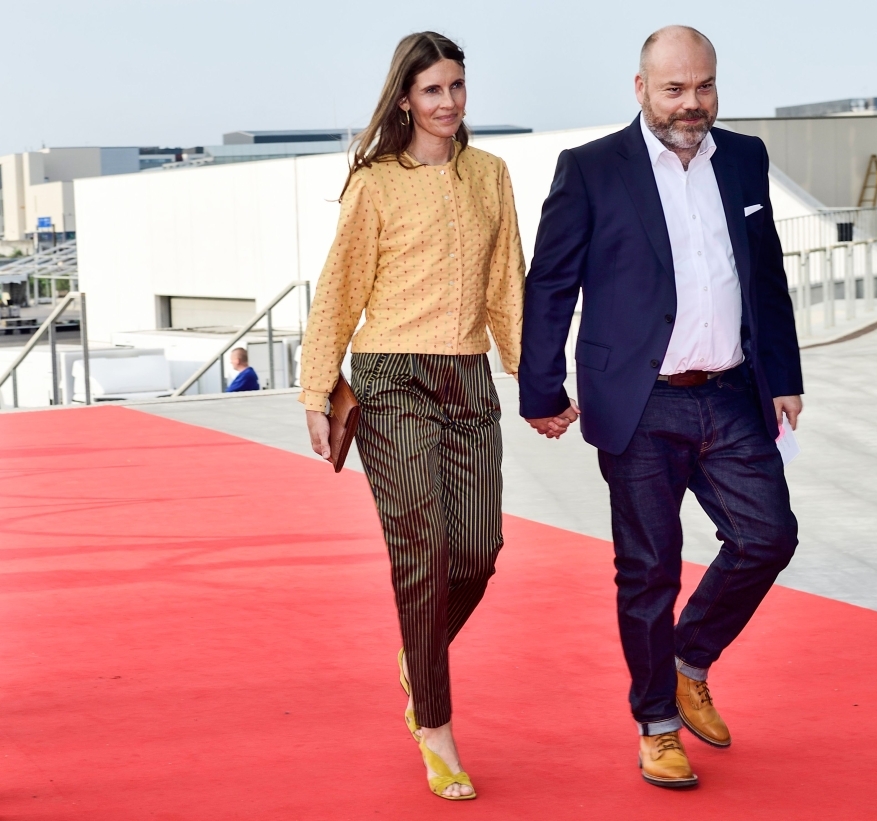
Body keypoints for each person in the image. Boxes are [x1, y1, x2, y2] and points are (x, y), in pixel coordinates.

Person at [518, 25, 802, 789]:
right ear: (641, 89)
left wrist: (784, 373)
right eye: (675, 89)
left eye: (704, 86)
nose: (692, 103)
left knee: (769, 536)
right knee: (648, 570)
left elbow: (763, 269)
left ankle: (687, 659)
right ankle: (658, 725)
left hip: (732, 392)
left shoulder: (742, 157)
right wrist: (540, 388)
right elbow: (550, 284)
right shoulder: (590, 170)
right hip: (639, 402)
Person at [298, 31, 524, 801]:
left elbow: (507, 288)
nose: (450, 102)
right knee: (423, 549)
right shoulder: (375, 183)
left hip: (467, 377)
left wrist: (542, 380)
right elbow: (339, 289)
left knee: (479, 549)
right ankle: (435, 726)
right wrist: (314, 390)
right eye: (433, 90)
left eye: (458, 86)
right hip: (392, 375)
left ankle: (415, 650)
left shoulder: (492, 176)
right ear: (405, 100)